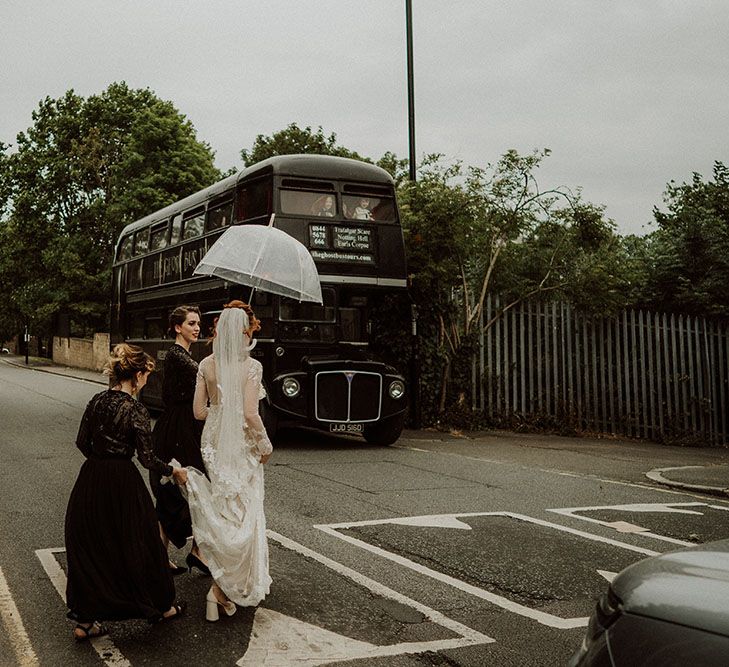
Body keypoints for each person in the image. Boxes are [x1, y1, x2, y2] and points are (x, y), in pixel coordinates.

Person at [65, 344, 188, 641]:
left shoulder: (95, 401)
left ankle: (85, 621)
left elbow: (82, 442)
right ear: (136, 375)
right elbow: (147, 458)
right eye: (145, 374)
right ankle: (162, 607)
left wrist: (100, 461)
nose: (146, 380)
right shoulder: (135, 409)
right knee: (141, 541)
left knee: (92, 544)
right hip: (122, 482)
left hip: (91, 478)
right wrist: (174, 471)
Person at [183, 300, 273, 620]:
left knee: (224, 508)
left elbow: (198, 411)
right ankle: (221, 588)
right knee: (244, 512)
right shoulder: (251, 367)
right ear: (243, 332)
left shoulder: (205, 364)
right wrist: (264, 444)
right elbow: (250, 413)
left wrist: (218, 415)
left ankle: (220, 587)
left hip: (214, 441)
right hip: (242, 443)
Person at [150, 305, 209, 575]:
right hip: (178, 430)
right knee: (182, 491)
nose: (197, 328)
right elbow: (203, 375)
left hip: (186, 426)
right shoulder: (177, 355)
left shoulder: (184, 354)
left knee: (191, 490)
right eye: (191, 323)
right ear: (177, 327)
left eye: (198, 323)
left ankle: (190, 551)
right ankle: (170, 555)